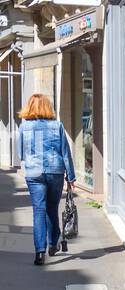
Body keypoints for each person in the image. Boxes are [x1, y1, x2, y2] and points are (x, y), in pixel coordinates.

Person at [17, 94, 76, 265]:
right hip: (55, 172)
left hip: (34, 173)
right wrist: (71, 177)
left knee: (38, 210)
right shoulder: (57, 125)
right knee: (52, 208)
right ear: (47, 107)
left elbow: (21, 154)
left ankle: (39, 252)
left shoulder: (24, 127)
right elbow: (65, 153)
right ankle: (53, 244)